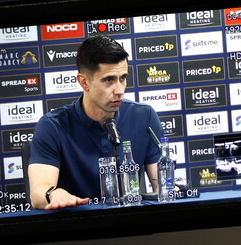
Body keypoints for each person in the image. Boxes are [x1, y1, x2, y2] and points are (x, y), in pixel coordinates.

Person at [27, 35, 164, 210]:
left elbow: (161, 184)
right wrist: (53, 193)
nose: (120, 90)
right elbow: (38, 193)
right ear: (84, 82)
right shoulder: (53, 126)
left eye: (123, 78)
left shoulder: (144, 116)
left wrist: (170, 187)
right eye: (109, 80)